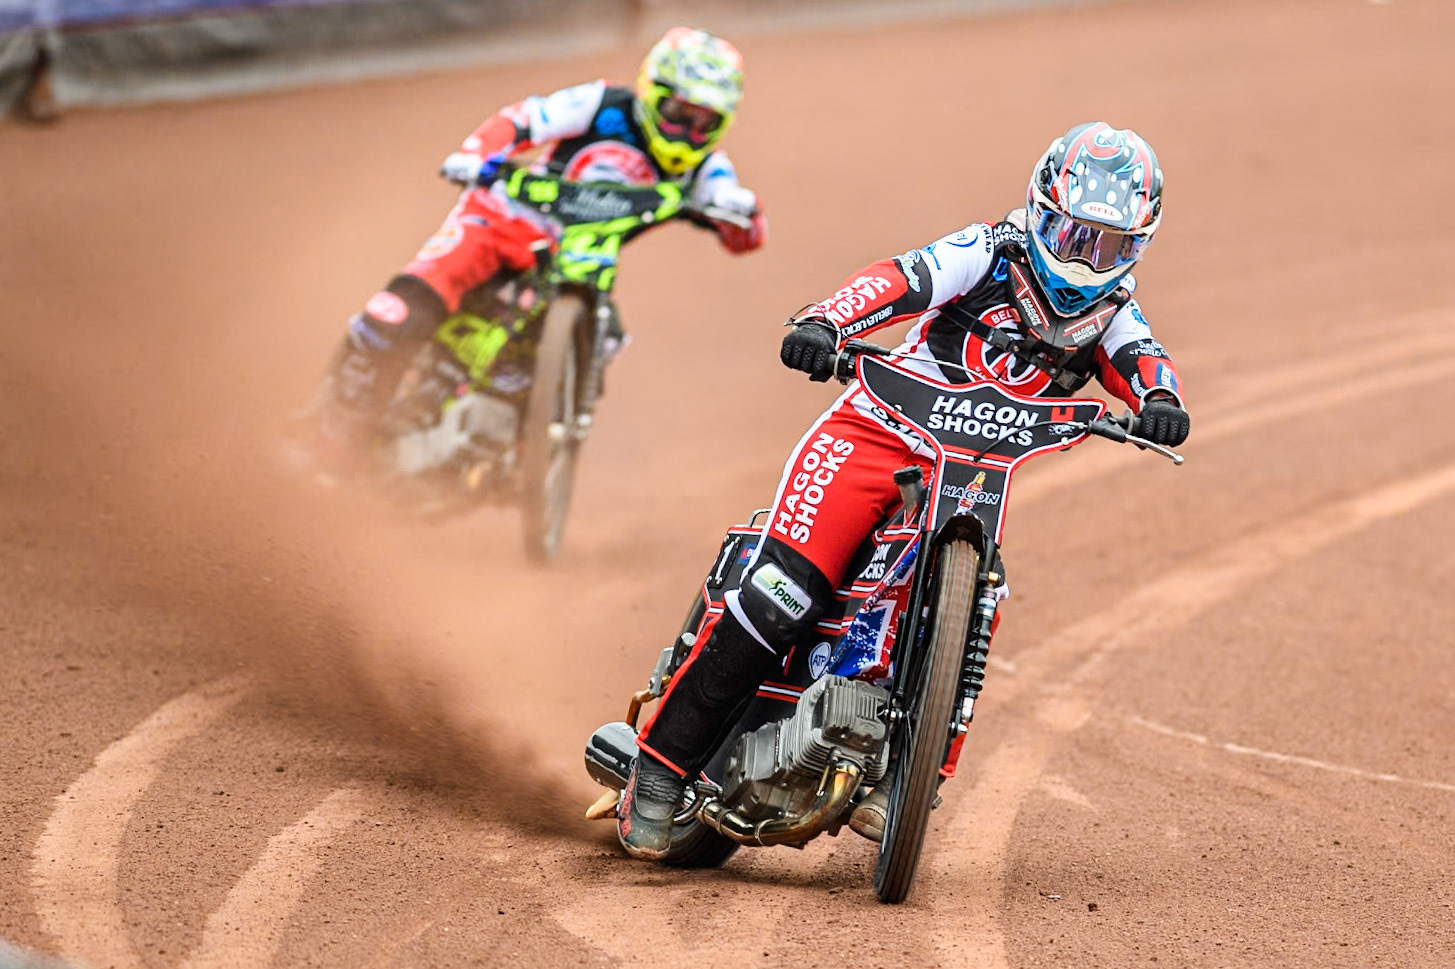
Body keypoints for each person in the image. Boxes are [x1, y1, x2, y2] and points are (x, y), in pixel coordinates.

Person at [617, 122, 1191, 859]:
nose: (1086, 260)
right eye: (1075, 236)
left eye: (1109, 246)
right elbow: (899, 277)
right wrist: (826, 320)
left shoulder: (1111, 311)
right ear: (1041, 211)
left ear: (1137, 246)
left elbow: (1144, 359)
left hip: (975, 473)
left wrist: (1161, 402)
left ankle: (915, 781)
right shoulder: (987, 250)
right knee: (784, 592)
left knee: (981, 597)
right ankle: (659, 772)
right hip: (872, 437)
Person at [307, 27, 765, 455]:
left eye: (705, 124)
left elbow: (743, 229)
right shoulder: (602, 104)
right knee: (403, 307)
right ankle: (333, 430)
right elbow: (524, 119)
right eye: (679, 115)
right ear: (651, 92)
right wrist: (476, 154)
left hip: (577, 260)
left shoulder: (706, 168)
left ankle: (523, 441)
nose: (688, 133)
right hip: (502, 221)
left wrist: (740, 213)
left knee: (606, 339)